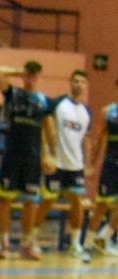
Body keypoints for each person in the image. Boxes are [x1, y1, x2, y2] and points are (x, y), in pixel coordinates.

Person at [0, 61, 56, 260]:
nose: (31, 78)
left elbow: (49, 130)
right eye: (29, 74)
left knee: (31, 202)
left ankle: (27, 245)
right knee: (5, 200)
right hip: (12, 155)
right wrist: (19, 71)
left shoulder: (44, 101)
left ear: (39, 76)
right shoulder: (13, 93)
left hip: (33, 158)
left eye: (35, 74)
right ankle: (4, 244)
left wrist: (51, 155)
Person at [39, 69, 91, 262]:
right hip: (56, 164)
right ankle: (31, 238)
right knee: (48, 202)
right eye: (75, 80)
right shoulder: (58, 104)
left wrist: (87, 164)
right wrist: (46, 154)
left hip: (75, 165)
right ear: (70, 82)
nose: (79, 84)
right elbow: (45, 126)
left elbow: (86, 139)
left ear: (85, 86)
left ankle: (75, 244)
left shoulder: (86, 112)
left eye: (82, 82)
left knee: (77, 202)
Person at [82, 97, 118, 258]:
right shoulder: (108, 111)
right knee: (102, 206)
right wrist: (91, 164)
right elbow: (98, 139)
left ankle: (103, 238)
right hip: (111, 165)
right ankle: (87, 245)